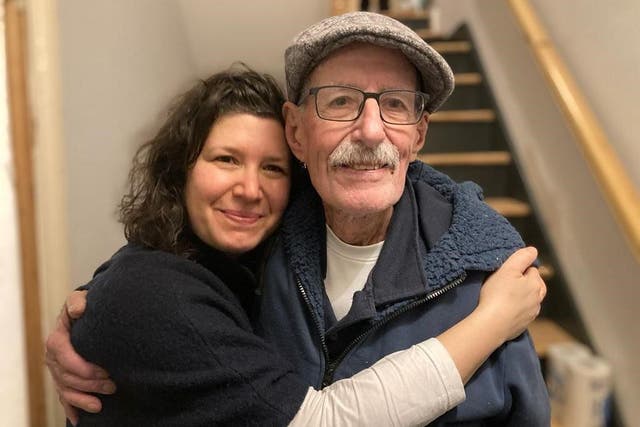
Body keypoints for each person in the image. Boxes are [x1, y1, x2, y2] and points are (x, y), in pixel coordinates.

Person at [46, 12, 549, 426]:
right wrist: (91, 311)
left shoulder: (487, 277)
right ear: (297, 132)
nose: (371, 131)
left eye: (395, 105)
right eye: (341, 102)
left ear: (418, 135)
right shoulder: (265, 242)